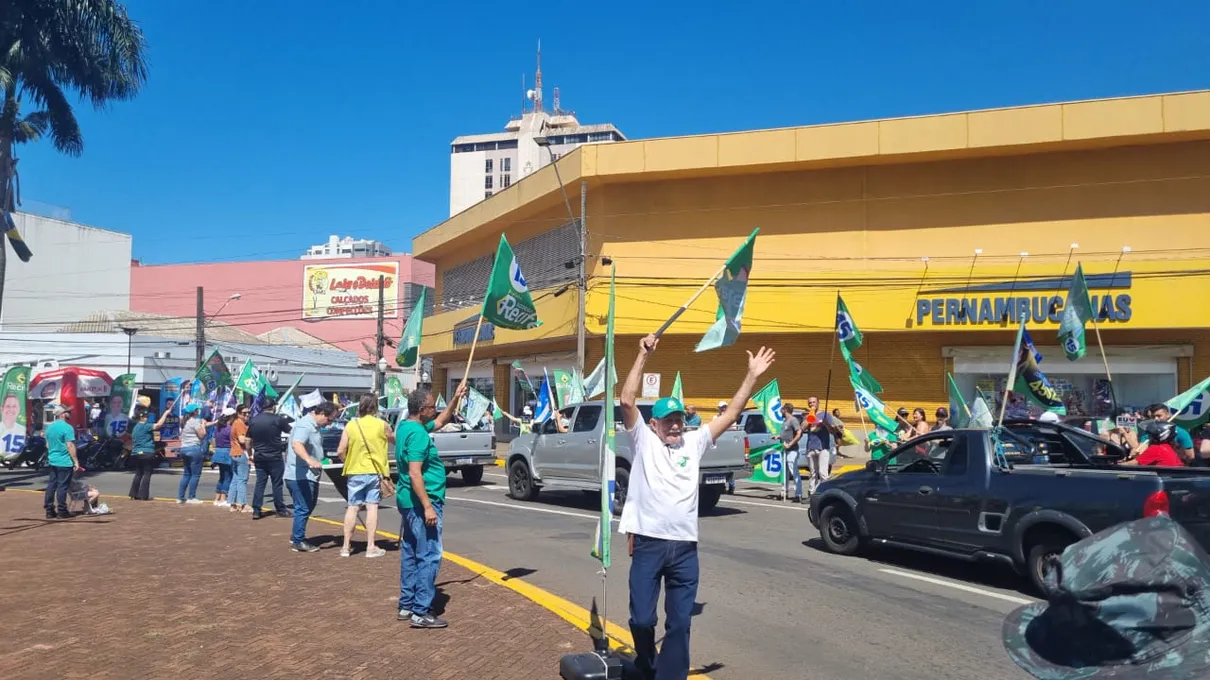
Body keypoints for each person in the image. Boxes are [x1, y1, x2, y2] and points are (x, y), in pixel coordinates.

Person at [620, 334, 774, 680]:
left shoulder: (695, 441)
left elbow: (733, 412)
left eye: (678, 419)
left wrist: (751, 375)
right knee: (642, 619)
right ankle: (646, 662)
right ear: (654, 424)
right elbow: (627, 400)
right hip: (648, 544)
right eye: (667, 420)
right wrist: (642, 355)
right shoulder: (643, 441)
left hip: (685, 550)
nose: (675, 425)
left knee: (679, 625)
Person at [396, 382, 466, 629]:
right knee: (429, 555)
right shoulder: (417, 435)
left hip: (408, 501)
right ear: (421, 409)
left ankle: (407, 604)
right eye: (432, 407)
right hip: (421, 503)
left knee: (411, 552)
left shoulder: (408, 427)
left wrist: (455, 399)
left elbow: (442, 421)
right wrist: (427, 506)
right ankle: (420, 610)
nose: (435, 410)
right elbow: (415, 473)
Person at [336, 393, 393, 558]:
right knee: (372, 506)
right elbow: (395, 440)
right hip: (375, 472)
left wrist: (349, 461)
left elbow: (340, 450)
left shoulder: (350, 426)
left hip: (354, 471)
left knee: (353, 507)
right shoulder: (382, 425)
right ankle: (370, 546)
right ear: (375, 407)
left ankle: (346, 546)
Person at [284, 401, 337, 553]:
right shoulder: (305, 426)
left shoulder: (314, 426)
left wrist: (322, 460)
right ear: (321, 413)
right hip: (300, 475)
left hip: (309, 474)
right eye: (329, 419)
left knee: (307, 506)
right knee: (304, 506)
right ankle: (298, 540)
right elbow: (297, 444)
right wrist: (309, 460)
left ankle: (297, 535)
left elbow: (313, 449)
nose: (329, 424)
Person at [248, 399, 294, 519]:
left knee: (260, 483)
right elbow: (292, 432)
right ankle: (280, 509)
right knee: (277, 484)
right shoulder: (278, 419)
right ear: (272, 407)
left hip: (259, 455)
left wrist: (250, 454)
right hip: (274, 456)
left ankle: (256, 510)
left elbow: (248, 440)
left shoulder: (253, 420)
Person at [44, 404, 81, 519]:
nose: (69, 414)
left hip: (52, 460)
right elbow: (70, 445)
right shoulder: (67, 427)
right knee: (62, 486)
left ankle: (49, 510)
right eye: (67, 412)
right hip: (64, 461)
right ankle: (62, 511)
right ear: (62, 414)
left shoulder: (49, 427)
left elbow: (47, 444)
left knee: (51, 485)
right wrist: (76, 461)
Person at [128, 408, 170, 501]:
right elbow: (158, 425)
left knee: (138, 473)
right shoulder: (145, 426)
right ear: (141, 417)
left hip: (136, 453)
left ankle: (133, 493)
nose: (147, 418)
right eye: (145, 417)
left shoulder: (135, 427)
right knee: (147, 473)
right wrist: (166, 413)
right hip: (146, 452)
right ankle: (143, 495)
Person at [802, 396, 835, 496]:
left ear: (818, 403)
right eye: (810, 403)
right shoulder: (807, 416)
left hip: (823, 447)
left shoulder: (825, 415)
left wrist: (826, 424)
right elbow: (802, 428)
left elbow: (832, 431)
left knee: (822, 472)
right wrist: (809, 418)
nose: (812, 404)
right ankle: (812, 493)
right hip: (811, 446)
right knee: (812, 472)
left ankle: (825, 492)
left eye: (813, 402)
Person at [176, 403, 208, 504]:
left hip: (184, 448)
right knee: (195, 475)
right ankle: (191, 497)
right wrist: (203, 425)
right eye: (197, 410)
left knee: (186, 474)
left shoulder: (184, 421)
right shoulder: (194, 421)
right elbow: (202, 434)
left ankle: (180, 497)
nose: (198, 411)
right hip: (194, 448)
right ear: (194, 411)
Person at [228, 405, 252, 513]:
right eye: (244, 413)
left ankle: (232, 504)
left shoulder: (236, 423)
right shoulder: (239, 424)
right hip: (241, 453)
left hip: (234, 453)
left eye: (248, 412)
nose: (247, 414)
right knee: (242, 479)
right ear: (238, 413)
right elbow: (242, 440)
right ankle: (243, 504)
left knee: (235, 479)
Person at [778, 402, 803, 502]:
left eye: (782, 410)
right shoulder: (785, 421)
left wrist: (790, 444)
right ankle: (784, 492)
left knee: (794, 471)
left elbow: (799, 433)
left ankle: (798, 494)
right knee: (785, 472)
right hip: (784, 449)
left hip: (792, 450)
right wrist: (778, 437)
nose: (781, 412)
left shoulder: (793, 420)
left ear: (785, 410)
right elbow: (786, 434)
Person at [210, 408, 236, 507]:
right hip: (227, 452)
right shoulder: (230, 428)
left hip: (218, 452)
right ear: (232, 417)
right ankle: (223, 498)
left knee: (222, 476)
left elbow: (214, 440)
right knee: (228, 476)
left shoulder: (218, 428)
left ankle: (217, 498)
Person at [0, 393, 26, 463]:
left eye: (14, 406)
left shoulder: (22, 429)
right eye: (8, 406)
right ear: (2, 409)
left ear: (19, 409)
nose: (11, 409)